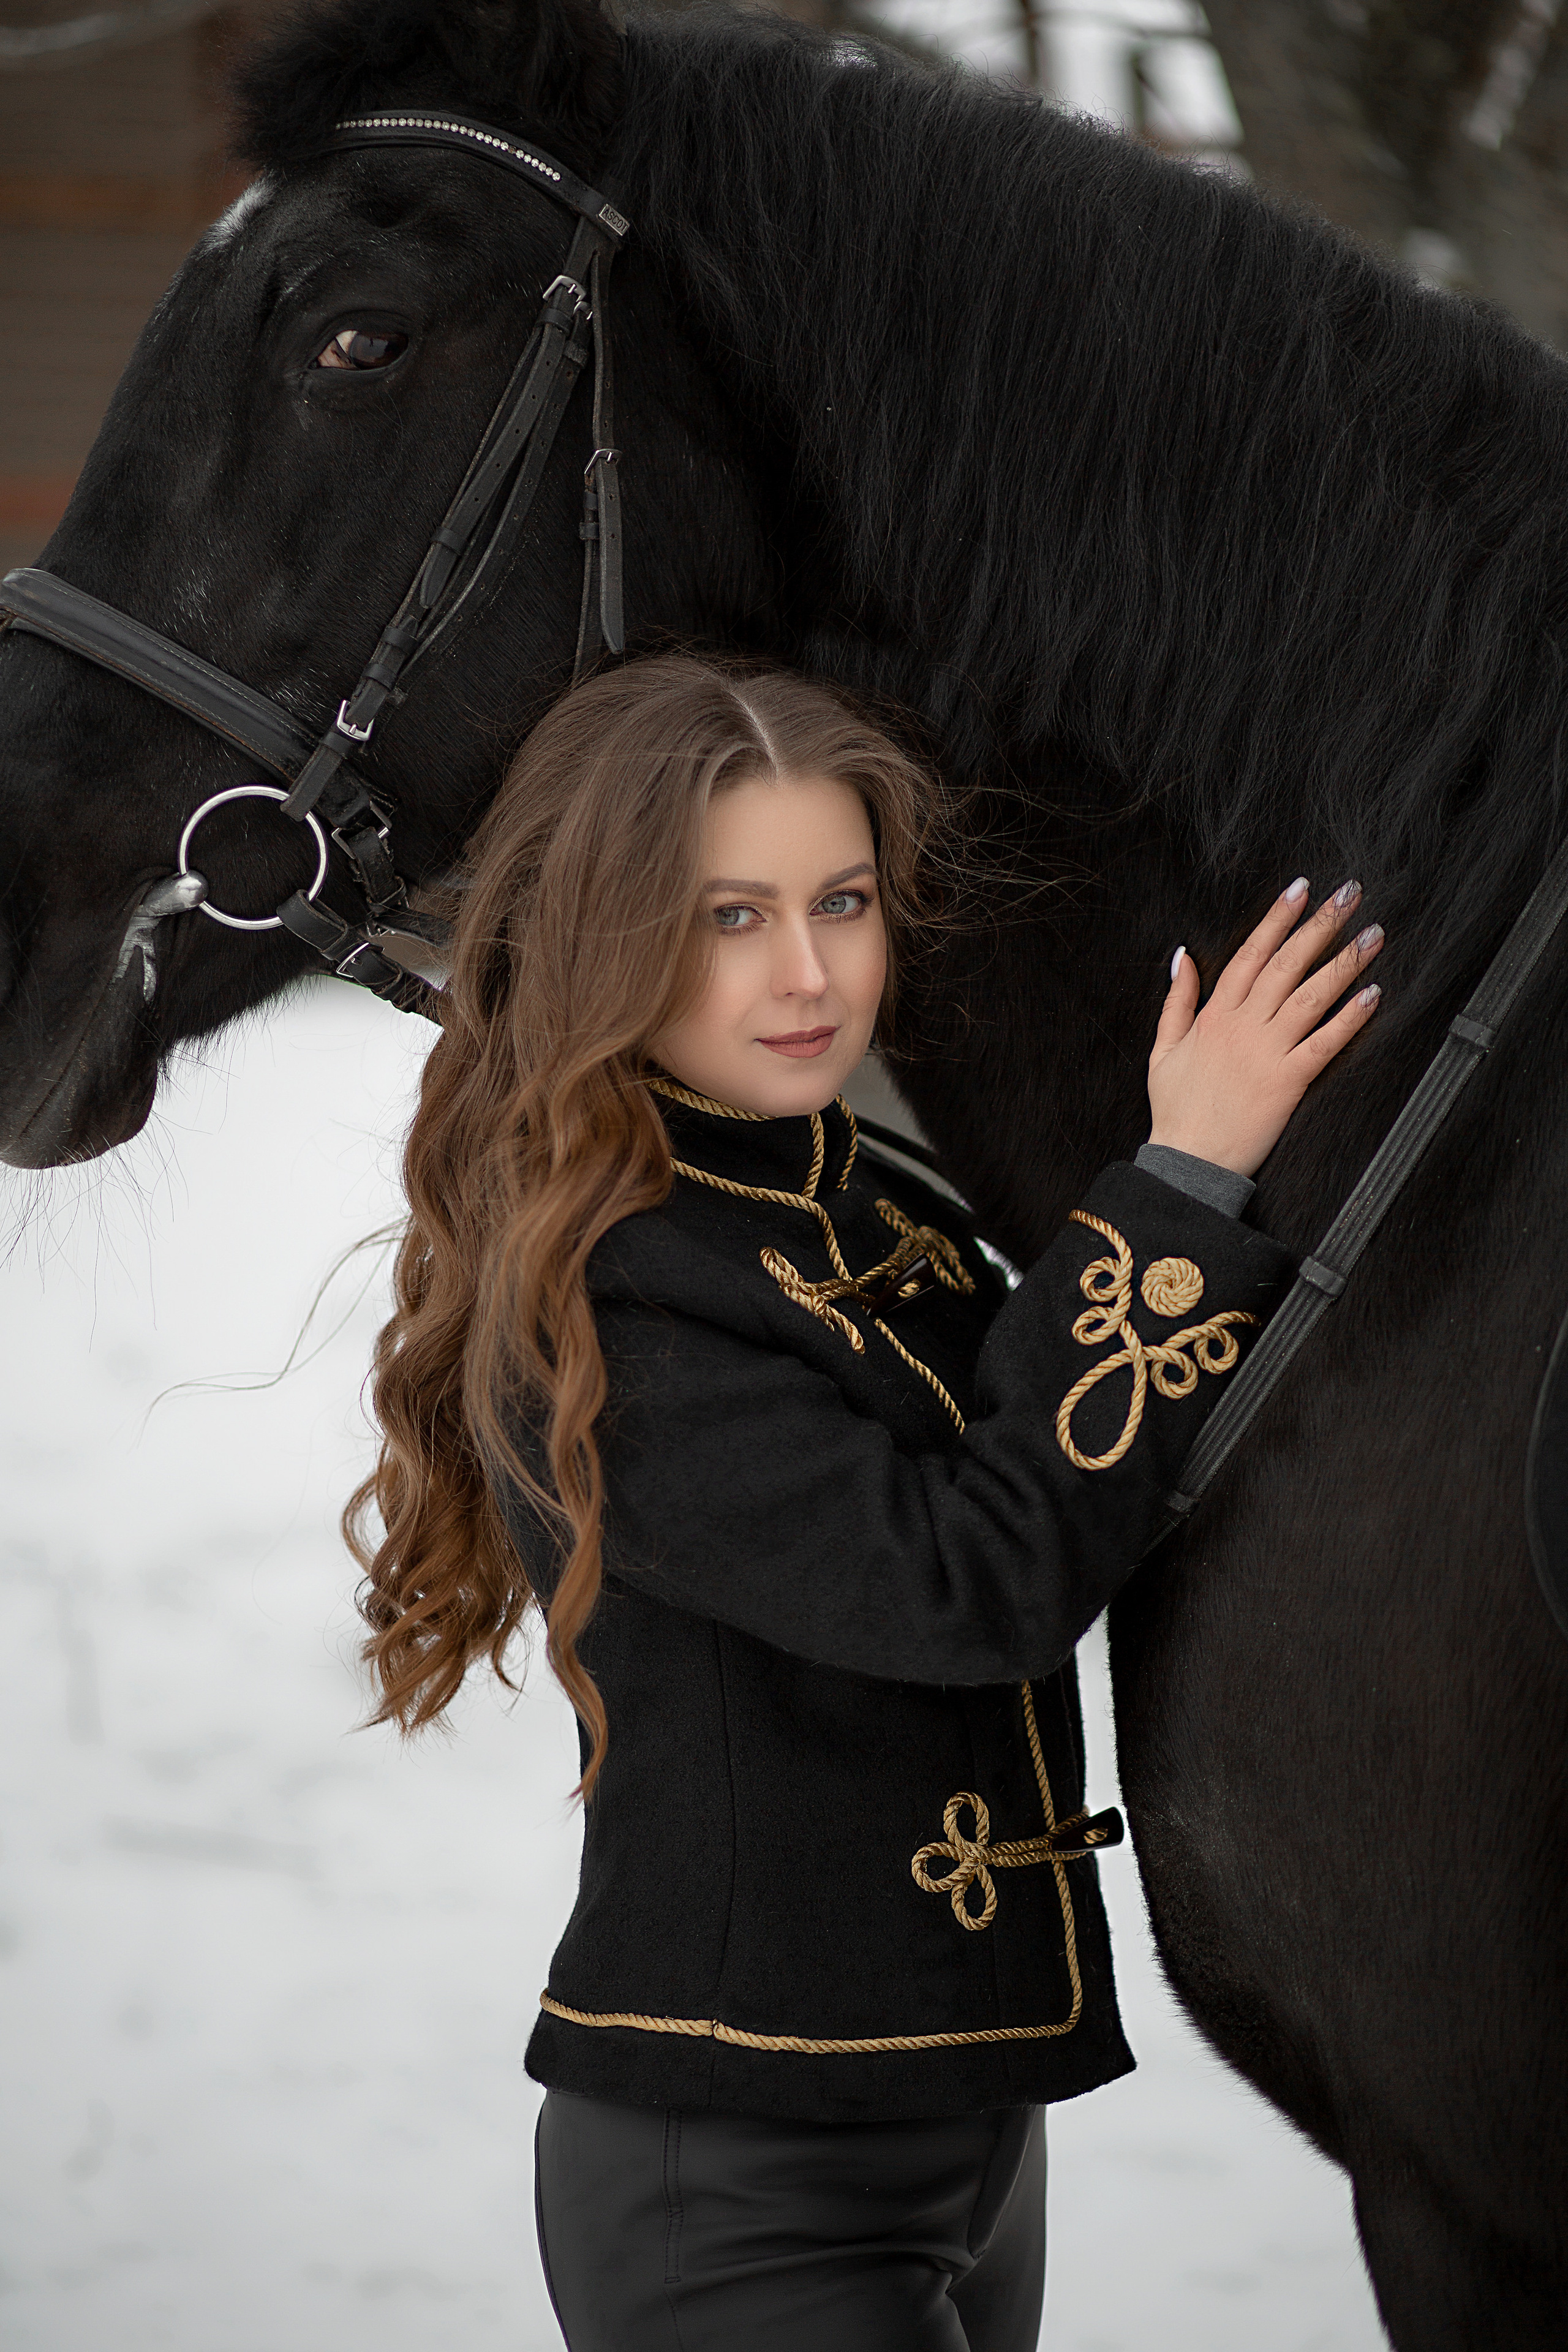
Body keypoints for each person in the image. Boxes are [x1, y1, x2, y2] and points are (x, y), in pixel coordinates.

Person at [347, 654, 1383, 2351]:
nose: (811, 972)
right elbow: (965, 1580)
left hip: (965, 2119)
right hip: (738, 2160)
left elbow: (1046, 1445)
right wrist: (1186, 1180)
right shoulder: (609, 1298)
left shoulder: (856, 1191)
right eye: (731, 917)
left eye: (839, 900)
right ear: (610, 932)